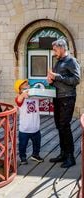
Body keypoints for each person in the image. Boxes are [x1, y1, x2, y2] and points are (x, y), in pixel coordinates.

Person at [47, 39, 80, 168]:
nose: (54, 52)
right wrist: (51, 81)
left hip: (68, 98)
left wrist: (57, 77)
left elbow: (76, 79)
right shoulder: (58, 62)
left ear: (62, 48)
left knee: (64, 125)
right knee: (59, 125)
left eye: (55, 49)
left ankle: (71, 157)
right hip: (58, 97)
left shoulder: (71, 61)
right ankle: (63, 154)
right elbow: (57, 80)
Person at [15, 79, 44, 165]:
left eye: (28, 85)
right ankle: (23, 157)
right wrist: (23, 95)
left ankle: (35, 155)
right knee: (23, 145)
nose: (28, 86)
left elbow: (43, 96)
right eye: (25, 85)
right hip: (25, 129)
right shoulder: (20, 98)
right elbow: (18, 100)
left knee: (37, 144)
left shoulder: (35, 96)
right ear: (20, 90)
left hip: (35, 127)